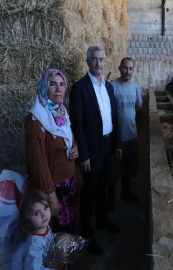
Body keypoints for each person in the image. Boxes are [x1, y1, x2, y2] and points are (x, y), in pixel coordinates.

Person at [69, 45, 122, 255]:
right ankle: (86, 232)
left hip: (107, 144)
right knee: (90, 189)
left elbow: (113, 117)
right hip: (91, 148)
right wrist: (83, 154)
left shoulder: (108, 87)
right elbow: (77, 123)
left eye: (101, 59)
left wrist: (117, 143)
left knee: (104, 184)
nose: (98, 63)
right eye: (94, 59)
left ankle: (101, 221)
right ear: (88, 62)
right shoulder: (80, 88)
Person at [25, 69, 78, 234]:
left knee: (70, 226)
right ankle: (58, 260)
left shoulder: (61, 112)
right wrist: (50, 194)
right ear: (44, 88)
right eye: (53, 84)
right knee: (56, 231)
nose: (59, 89)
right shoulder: (36, 120)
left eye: (62, 85)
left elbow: (68, 137)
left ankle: (68, 258)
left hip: (69, 182)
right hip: (53, 187)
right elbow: (38, 163)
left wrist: (75, 146)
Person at [108, 57, 142, 210]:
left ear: (133, 70)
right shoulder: (112, 87)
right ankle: (110, 199)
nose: (128, 71)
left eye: (130, 69)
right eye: (125, 68)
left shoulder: (134, 87)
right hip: (117, 138)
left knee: (128, 168)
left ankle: (126, 193)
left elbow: (139, 107)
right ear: (119, 68)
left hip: (132, 136)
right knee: (114, 170)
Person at [19, 190, 63, 270]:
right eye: (37, 213)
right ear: (28, 219)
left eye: (45, 208)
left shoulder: (44, 227)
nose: (44, 215)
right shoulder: (34, 245)